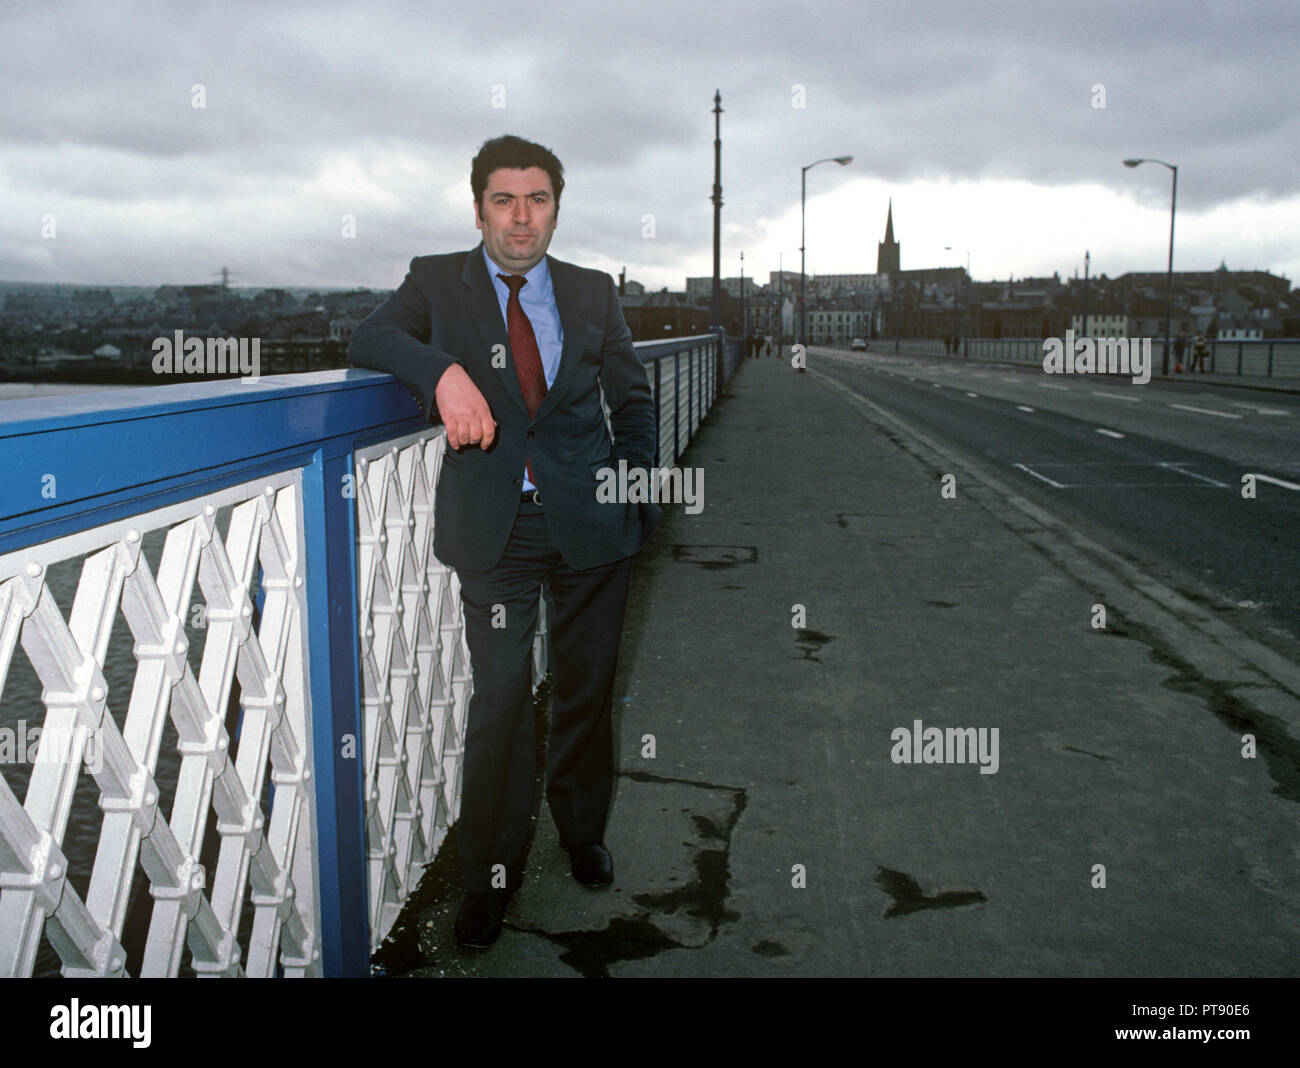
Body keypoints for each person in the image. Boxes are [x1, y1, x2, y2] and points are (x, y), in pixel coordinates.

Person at [348, 135, 660, 950]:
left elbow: (631, 401)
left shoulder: (593, 293)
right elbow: (369, 340)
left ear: (557, 204)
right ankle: (491, 873)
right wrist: (442, 374)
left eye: (538, 200)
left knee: (588, 692)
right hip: (499, 531)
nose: (521, 218)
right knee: (499, 707)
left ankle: (582, 831)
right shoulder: (434, 282)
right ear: (478, 206)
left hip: (593, 525)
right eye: (503, 200)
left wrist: (636, 496)